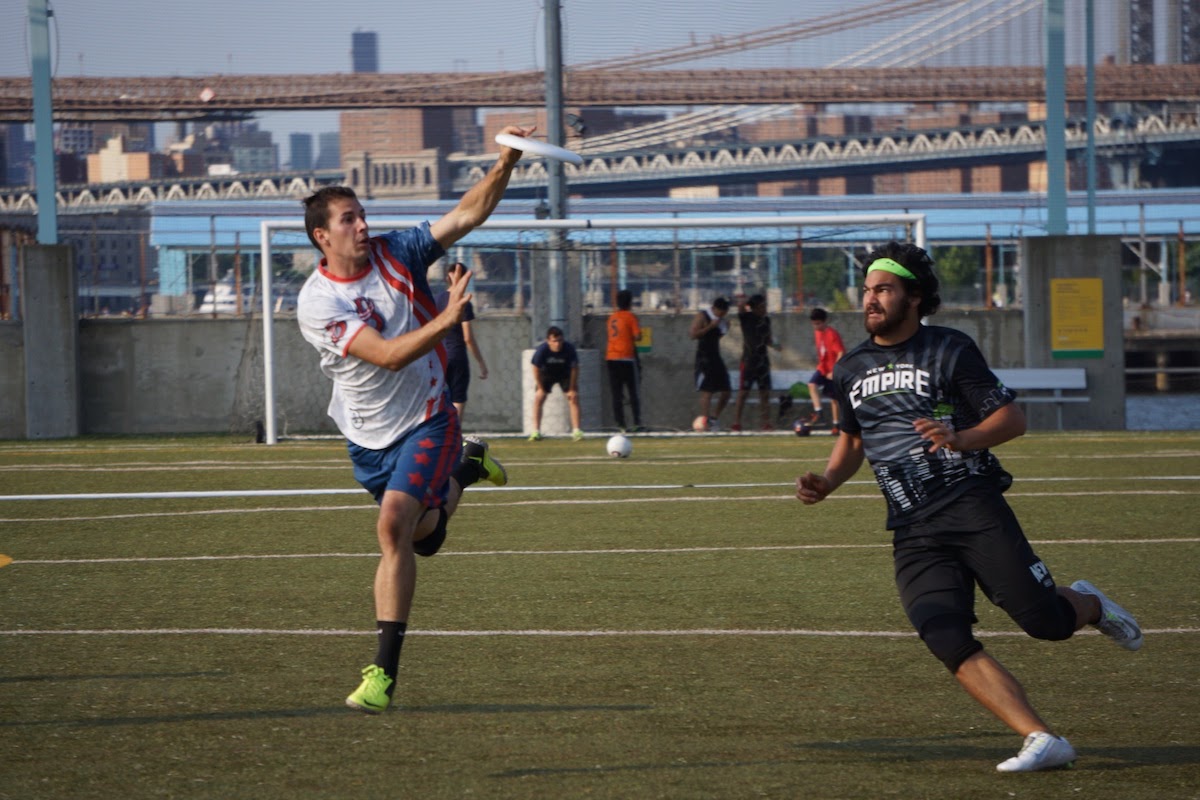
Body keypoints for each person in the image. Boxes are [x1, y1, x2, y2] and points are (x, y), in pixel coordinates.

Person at [795, 241, 1142, 773]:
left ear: (913, 296)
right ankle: (1041, 738)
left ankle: (1090, 604)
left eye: (883, 289)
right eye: (866, 290)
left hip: (972, 508)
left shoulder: (950, 348)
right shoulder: (851, 366)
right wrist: (827, 481)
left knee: (1046, 623)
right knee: (942, 633)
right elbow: (854, 441)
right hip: (912, 527)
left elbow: (1011, 419)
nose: (870, 299)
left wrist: (961, 438)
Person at [296, 125, 533, 715]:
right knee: (424, 536)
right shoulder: (318, 302)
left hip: (428, 416)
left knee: (393, 527)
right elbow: (386, 355)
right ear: (323, 236)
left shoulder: (398, 252)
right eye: (348, 219)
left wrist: (506, 161)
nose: (362, 224)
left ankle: (382, 675)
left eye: (361, 214)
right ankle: (468, 468)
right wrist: (447, 319)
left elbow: (467, 214)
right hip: (366, 435)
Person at [436, 260, 489, 424]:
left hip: (438, 357)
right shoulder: (463, 303)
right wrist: (481, 363)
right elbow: (468, 338)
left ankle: (438, 434)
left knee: (437, 398)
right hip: (457, 355)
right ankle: (454, 434)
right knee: (458, 399)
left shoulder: (436, 300)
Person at [732, 293, 781, 432]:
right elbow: (740, 307)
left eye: (765, 306)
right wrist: (746, 300)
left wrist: (775, 345)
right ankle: (736, 422)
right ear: (754, 308)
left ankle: (766, 422)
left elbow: (767, 339)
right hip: (749, 361)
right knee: (743, 393)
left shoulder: (766, 320)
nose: (764, 309)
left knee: (764, 393)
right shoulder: (746, 318)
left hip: (763, 360)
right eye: (761, 306)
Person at [529, 326, 584, 441]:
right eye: (554, 341)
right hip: (547, 373)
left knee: (573, 397)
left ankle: (577, 431)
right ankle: (536, 432)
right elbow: (535, 368)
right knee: (539, 397)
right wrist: (540, 388)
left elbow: (575, 368)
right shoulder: (542, 350)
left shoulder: (569, 349)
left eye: (560, 341)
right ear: (548, 341)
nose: (557, 344)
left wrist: (572, 389)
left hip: (564, 374)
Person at [689, 296, 731, 431]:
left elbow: (717, 337)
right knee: (707, 391)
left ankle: (714, 418)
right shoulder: (702, 316)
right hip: (704, 357)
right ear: (714, 308)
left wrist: (724, 329)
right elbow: (693, 335)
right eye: (721, 312)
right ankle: (705, 421)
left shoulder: (722, 321)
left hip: (716, 357)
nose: (722, 315)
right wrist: (709, 327)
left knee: (726, 391)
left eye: (725, 312)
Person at [605, 289, 642, 433]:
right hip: (627, 358)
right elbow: (637, 336)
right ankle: (637, 423)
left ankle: (620, 425)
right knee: (633, 391)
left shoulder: (612, 318)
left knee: (617, 393)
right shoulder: (630, 317)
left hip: (611, 358)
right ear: (630, 302)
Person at [806, 307, 845, 431]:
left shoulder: (832, 334)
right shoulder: (817, 333)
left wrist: (834, 371)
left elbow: (840, 352)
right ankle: (819, 412)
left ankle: (836, 425)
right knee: (811, 384)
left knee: (834, 399)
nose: (816, 326)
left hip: (832, 370)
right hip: (823, 369)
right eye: (814, 324)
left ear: (825, 321)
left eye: (818, 324)